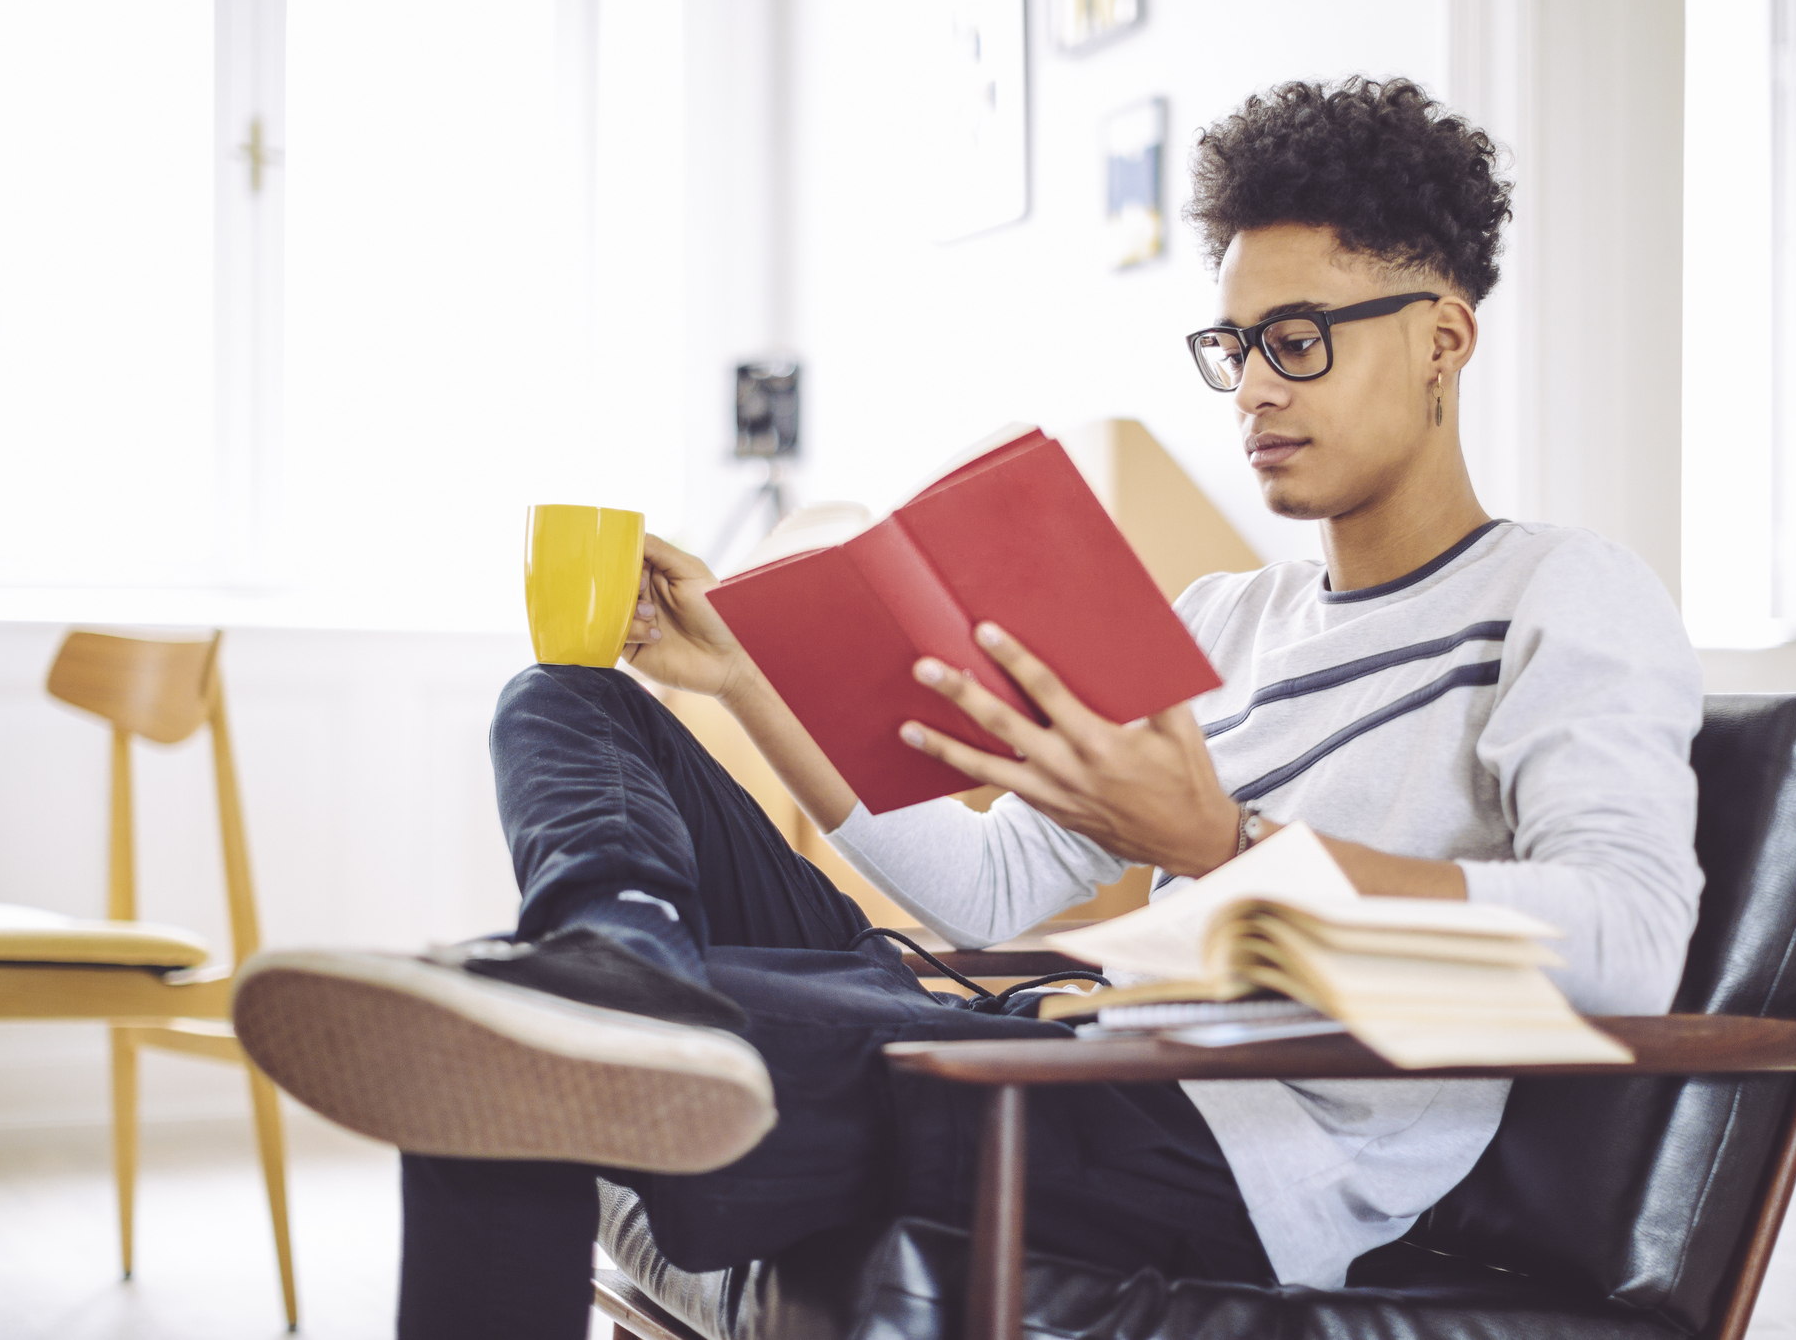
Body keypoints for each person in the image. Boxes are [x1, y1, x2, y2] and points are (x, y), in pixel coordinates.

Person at [234, 76, 1704, 1340]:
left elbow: (1631, 943)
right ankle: (616, 960)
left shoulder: (1565, 593)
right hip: (1034, 1017)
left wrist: (1226, 840)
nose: (1253, 387)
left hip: (1223, 1140)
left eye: (1298, 339)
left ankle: (591, 996)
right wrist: (740, 671)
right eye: (1234, 345)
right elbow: (997, 884)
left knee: (503, 1041)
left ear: (1443, 336)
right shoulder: (1222, 622)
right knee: (566, 700)